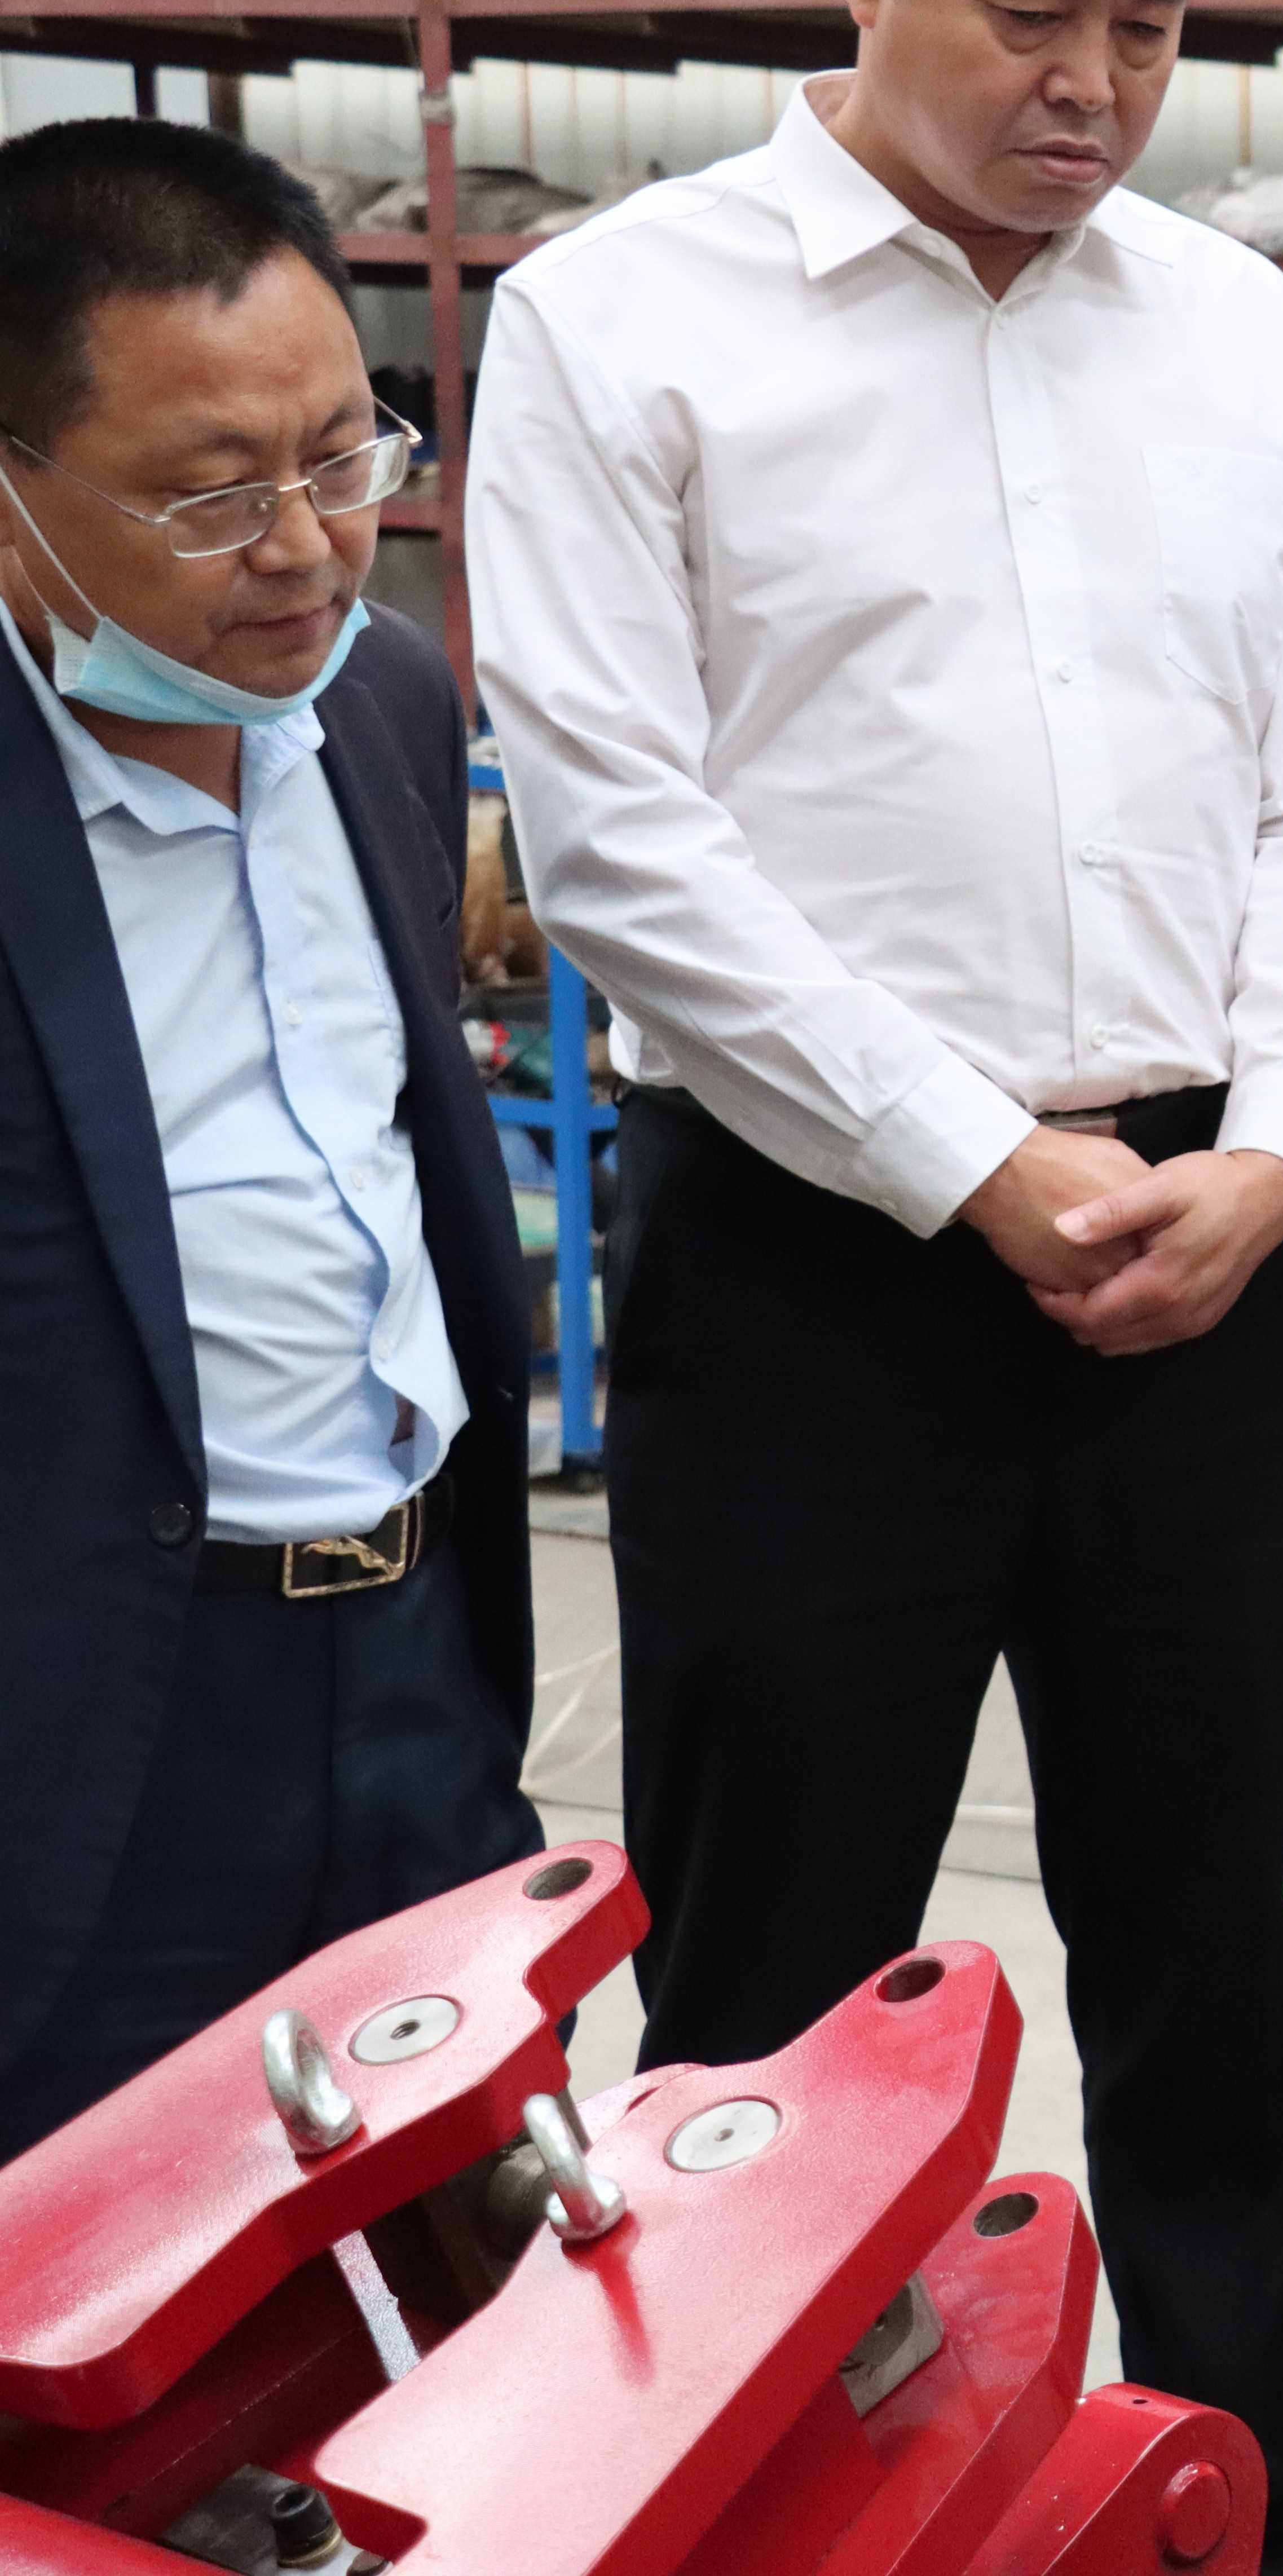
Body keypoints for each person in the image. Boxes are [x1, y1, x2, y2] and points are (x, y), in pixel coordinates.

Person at [464, 0, 1283, 2557]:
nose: (1095, 83)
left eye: (1155, 19)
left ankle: (1232, 2492)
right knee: (769, 1983)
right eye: (1028, 8)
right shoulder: (619, 320)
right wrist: (969, 1153)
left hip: (1202, 1253)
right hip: (812, 1266)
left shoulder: (1235, 327)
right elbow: (619, 834)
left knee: (1208, 1959)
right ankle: (733, 2508)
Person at [0, 122, 541, 2157]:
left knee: (467, 2260)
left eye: (344, 454)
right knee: (99, 2291)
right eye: (214, 494)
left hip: (413, 1676)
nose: (310, 547)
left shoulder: (380, 709)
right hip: (90, 1737)